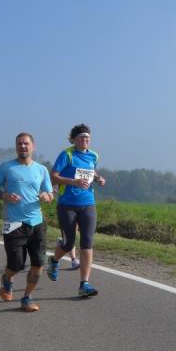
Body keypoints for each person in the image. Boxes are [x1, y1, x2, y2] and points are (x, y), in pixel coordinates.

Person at [0, 132, 54, 312]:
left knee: (38, 263)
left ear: (33, 146)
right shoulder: (7, 167)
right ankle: (7, 279)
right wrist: (4, 195)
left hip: (37, 223)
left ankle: (27, 298)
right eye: (19, 144)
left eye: (26, 143)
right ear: (16, 147)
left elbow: (50, 194)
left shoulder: (41, 169)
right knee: (16, 265)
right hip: (13, 224)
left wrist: (46, 196)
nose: (23, 146)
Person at [46, 124, 105, 297]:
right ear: (74, 139)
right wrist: (73, 182)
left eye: (87, 137)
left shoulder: (93, 155)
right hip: (67, 205)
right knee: (68, 243)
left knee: (87, 242)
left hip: (88, 203)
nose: (85, 140)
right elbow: (53, 176)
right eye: (81, 137)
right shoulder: (67, 155)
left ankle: (84, 284)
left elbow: (91, 171)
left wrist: (98, 178)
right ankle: (54, 260)